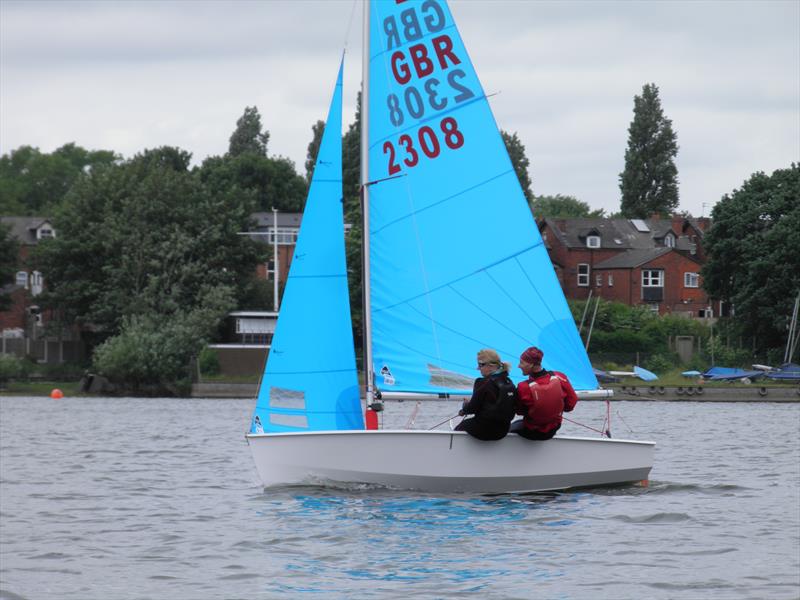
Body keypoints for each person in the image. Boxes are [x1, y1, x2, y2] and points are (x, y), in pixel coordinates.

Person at [511, 346, 578, 440]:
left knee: (511, 427)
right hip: (554, 428)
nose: (519, 366)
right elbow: (571, 404)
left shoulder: (523, 387)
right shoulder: (560, 376)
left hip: (532, 432)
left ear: (531, 365)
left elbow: (519, 411)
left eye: (522, 363)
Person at [455, 349, 517, 441]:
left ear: (491, 366)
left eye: (480, 365)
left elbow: (472, 408)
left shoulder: (483, 382)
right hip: (503, 431)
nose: (478, 368)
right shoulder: (509, 382)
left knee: (460, 427)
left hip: (485, 430)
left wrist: (464, 408)